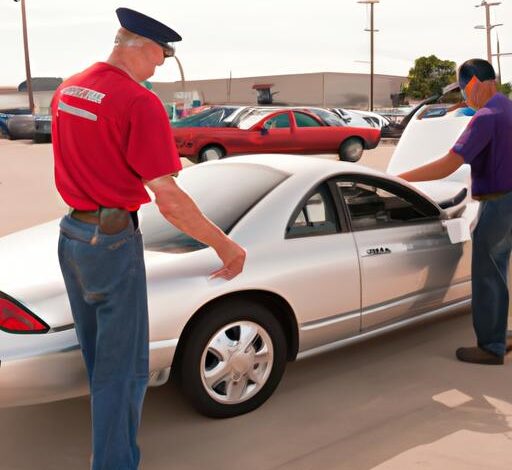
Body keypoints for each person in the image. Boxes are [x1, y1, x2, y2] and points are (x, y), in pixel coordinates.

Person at [51, 7, 246, 469]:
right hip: (112, 241)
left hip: (73, 236)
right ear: (137, 45)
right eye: (160, 55)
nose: (160, 66)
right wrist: (225, 244)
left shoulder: (70, 87)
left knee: (100, 363)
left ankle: (108, 452)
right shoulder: (138, 102)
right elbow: (170, 198)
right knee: (124, 372)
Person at [398, 58, 512, 365]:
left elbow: (449, 163)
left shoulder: (486, 116)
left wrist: (398, 179)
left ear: (474, 83)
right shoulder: (507, 108)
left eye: (464, 90)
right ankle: (501, 333)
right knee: (499, 268)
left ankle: (490, 347)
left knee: (488, 271)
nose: (465, 99)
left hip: (500, 202)